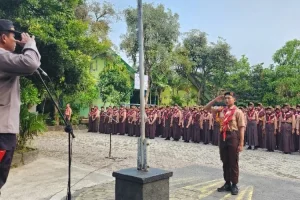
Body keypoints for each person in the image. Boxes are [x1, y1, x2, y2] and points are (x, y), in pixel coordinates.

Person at [0, 19, 40, 192]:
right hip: (2, 133)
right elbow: (31, 63)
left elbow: (30, 65)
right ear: (3, 37)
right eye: (13, 35)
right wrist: (30, 44)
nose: (16, 39)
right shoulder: (1, 56)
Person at [203, 92, 245, 195]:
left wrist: (241, 143)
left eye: (229, 98)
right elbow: (206, 108)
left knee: (233, 161)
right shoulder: (221, 110)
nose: (226, 100)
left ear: (234, 99)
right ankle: (227, 183)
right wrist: (215, 99)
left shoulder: (238, 112)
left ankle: (234, 184)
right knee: (225, 160)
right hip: (223, 136)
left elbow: (241, 128)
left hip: (233, 136)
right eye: (225, 98)